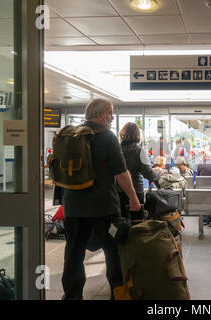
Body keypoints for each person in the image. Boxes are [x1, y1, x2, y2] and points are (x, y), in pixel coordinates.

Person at [61, 98, 141, 300]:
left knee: (73, 255)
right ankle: (118, 293)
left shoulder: (71, 135)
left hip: (72, 207)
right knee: (114, 251)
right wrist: (133, 198)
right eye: (109, 112)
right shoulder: (107, 137)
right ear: (99, 115)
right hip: (103, 208)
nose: (112, 116)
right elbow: (121, 173)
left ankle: (72, 296)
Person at [117, 122, 159, 218]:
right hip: (135, 191)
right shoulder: (139, 150)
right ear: (137, 134)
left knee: (122, 223)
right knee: (137, 225)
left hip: (118, 192)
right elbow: (147, 172)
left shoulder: (116, 149)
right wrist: (157, 177)